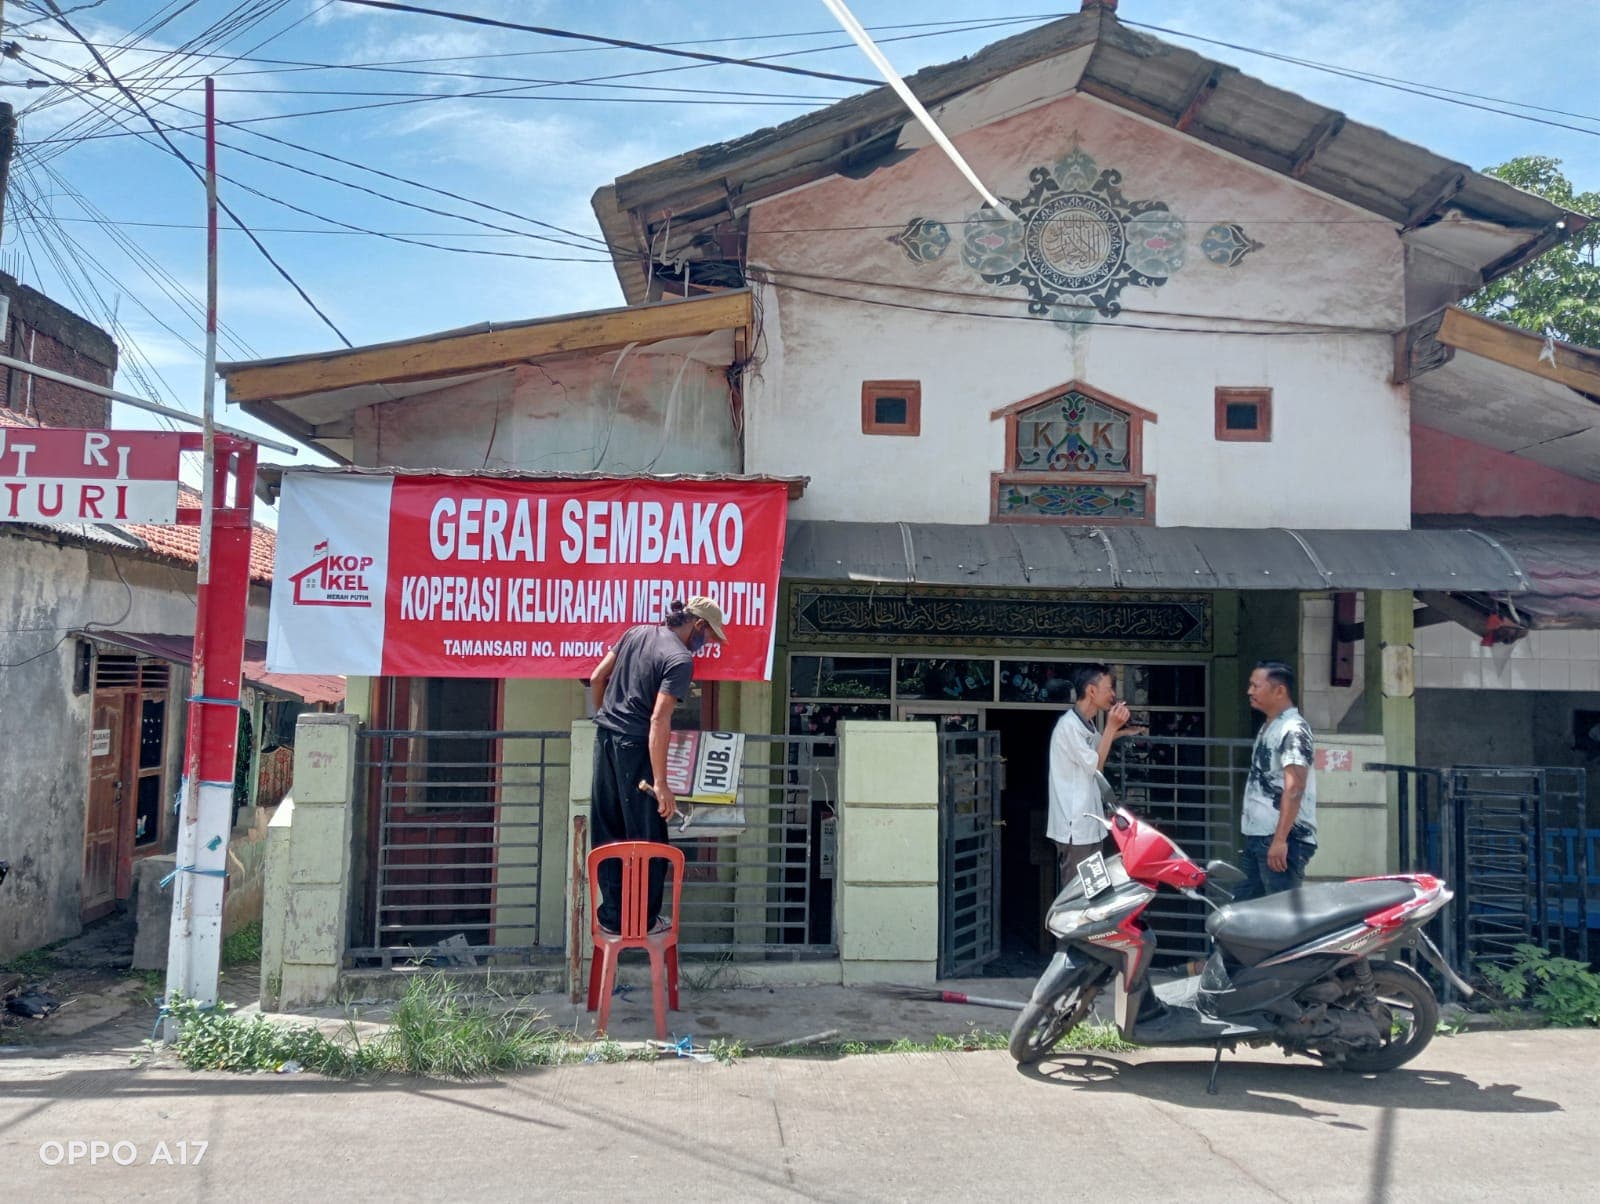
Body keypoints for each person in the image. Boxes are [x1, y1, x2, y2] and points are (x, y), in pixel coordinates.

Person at [587, 596, 727, 935]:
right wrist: (662, 784)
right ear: (699, 625)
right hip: (636, 747)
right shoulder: (679, 659)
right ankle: (643, 921)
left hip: (605, 738)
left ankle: (611, 916)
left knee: (608, 831)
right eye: (708, 636)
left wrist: (607, 718)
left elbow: (596, 677)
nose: (705, 644)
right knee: (649, 838)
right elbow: (658, 719)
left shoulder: (635, 633)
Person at [1048, 663, 1139, 890]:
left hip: (1089, 828)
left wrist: (1124, 732)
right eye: (1109, 688)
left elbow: (1099, 746)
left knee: (1094, 893)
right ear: (1091, 691)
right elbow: (1096, 763)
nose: (1113, 695)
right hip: (1075, 830)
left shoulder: (1085, 724)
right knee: (1077, 898)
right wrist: (1111, 726)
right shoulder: (1067, 727)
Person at [1235, 660, 1318, 902]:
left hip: (1282, 839)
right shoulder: (1270, 726)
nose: (1250, 691)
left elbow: (1294, 787)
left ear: (1279, 690)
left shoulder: (1293, 729)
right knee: (1246, 912)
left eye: (1255, 686)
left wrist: (1280, 840)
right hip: (1259, 836)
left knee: (1280, 915)